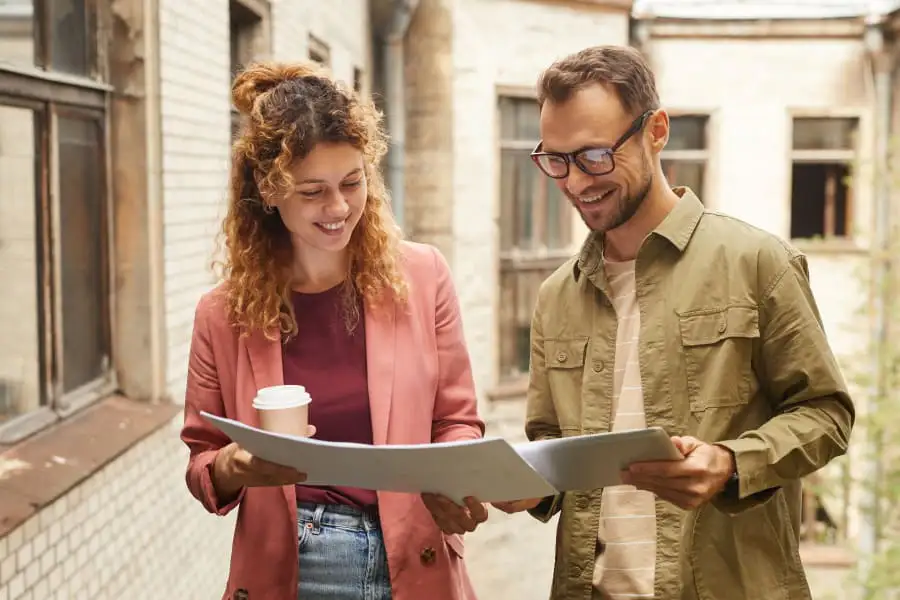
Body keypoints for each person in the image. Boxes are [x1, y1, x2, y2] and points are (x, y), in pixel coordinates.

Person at [491, 45, 855, 600]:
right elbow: (557, 453)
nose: (575, 182)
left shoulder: (757, 261)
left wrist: (732, 462)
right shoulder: (555, 296)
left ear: (656, 130)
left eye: (593, 155)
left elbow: (827, 415)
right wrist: (521, 487)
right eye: (556, 160)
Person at [180, 61, 488, 600]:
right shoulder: (221, 314)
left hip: (414, 553)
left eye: (353, 182)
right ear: (269, 191)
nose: (339, 207)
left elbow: (457, 420)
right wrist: (235, 464)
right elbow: (204, 466)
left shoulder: (423, 275)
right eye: (312, 191)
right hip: (294, 563)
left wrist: (455, 477)